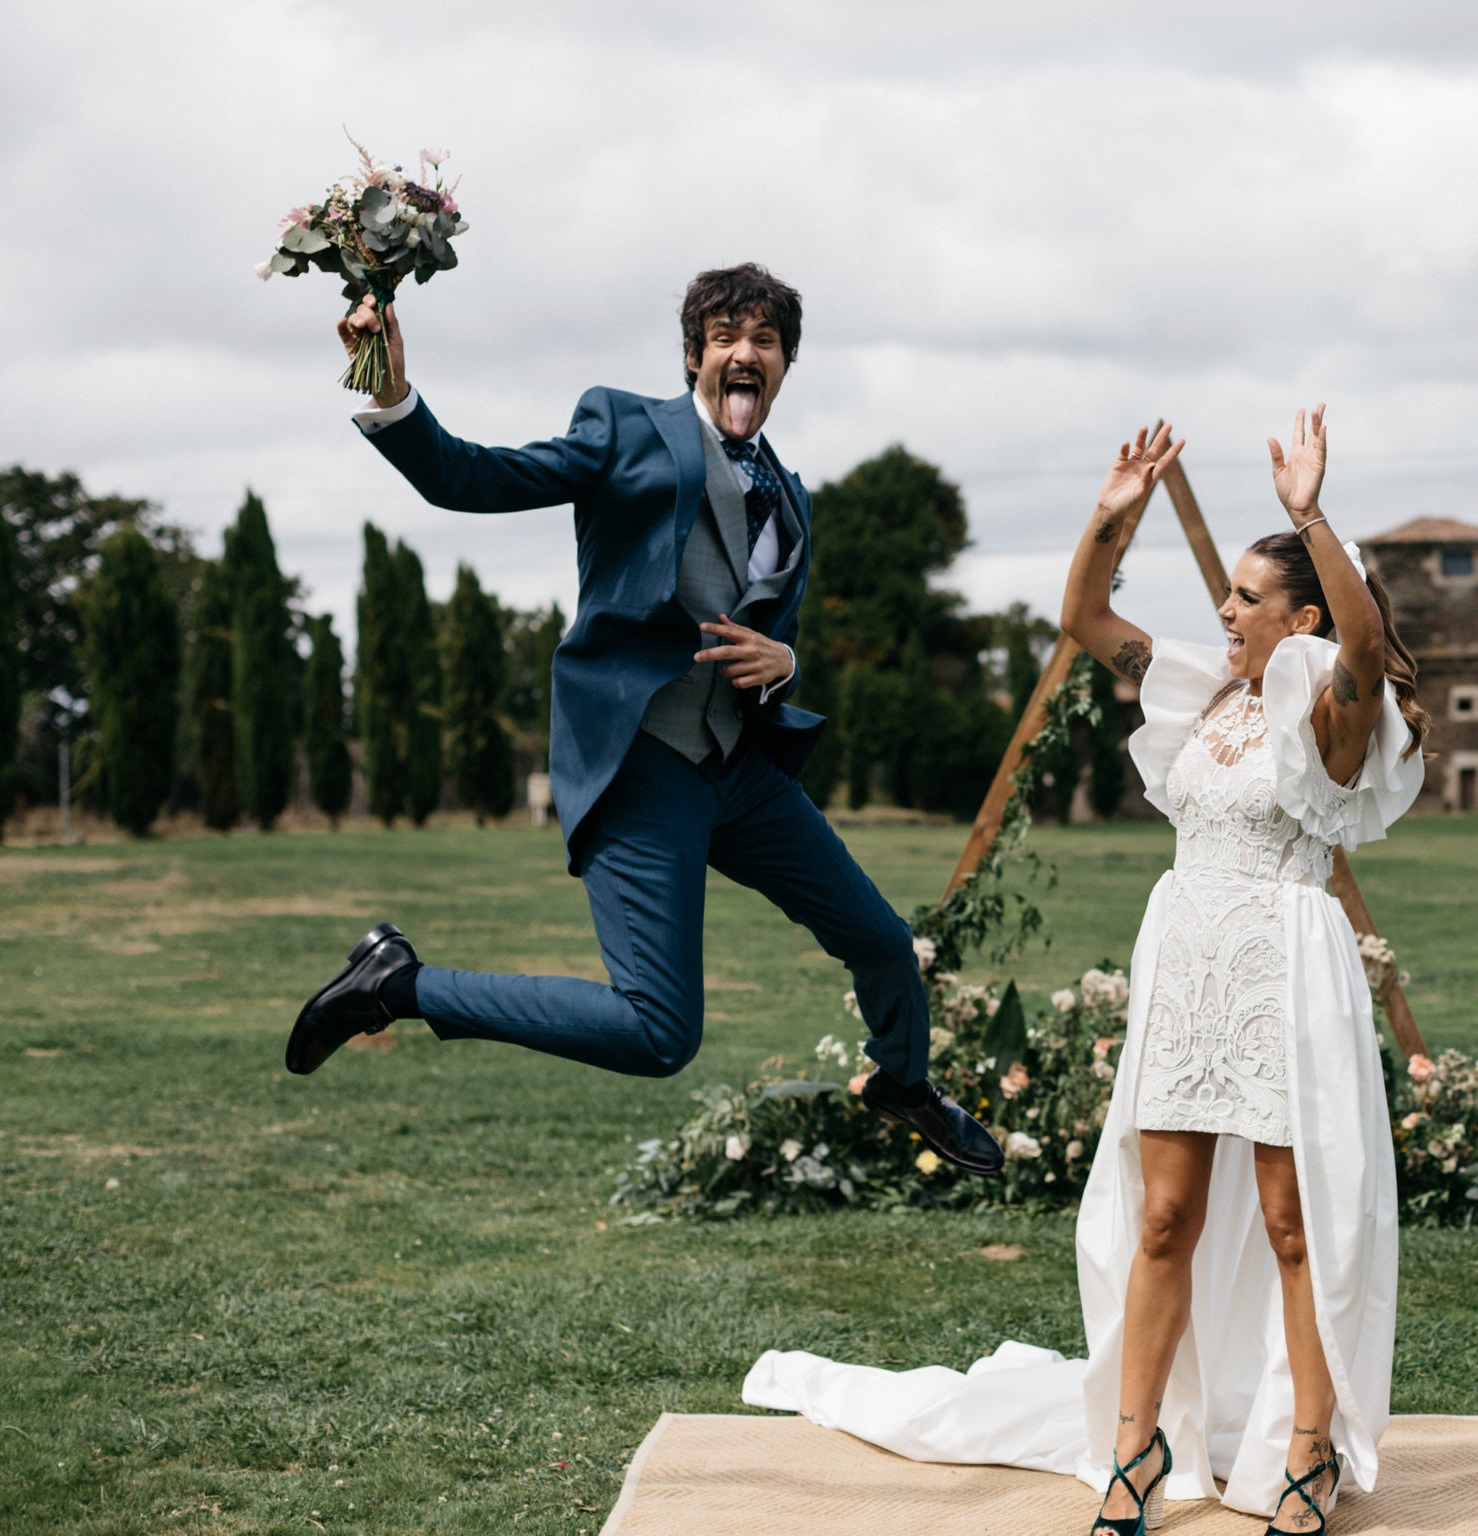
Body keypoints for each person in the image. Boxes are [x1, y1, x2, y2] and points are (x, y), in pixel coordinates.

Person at [742, 406, 1428, 1534]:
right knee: (1160, 1217)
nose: (1225, 611)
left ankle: (1305, 1449)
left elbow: (1361, 648)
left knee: (1294, 1224)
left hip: (1283, 973)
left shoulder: (1329, 717)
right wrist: (1110, 518)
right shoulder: (1203, 691)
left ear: (1297, 615)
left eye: (1248, 600)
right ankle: (1131, 1445)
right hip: (1185, 960)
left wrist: (1309, 512)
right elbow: (1080, 618)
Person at [282, 263, 1000, 1180]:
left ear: (785, 364)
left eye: (766, 341)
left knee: (885, 945)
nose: (747, 353)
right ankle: (397, 986)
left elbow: (767, 640)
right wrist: (389, 393)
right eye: (727, 336)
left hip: (738, 770)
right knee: (659, 1033)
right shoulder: (625, 429)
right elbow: (470, 477)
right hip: (644, 760)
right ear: (698, 354)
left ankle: (902, 1082)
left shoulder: (793, 496)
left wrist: (787, 664)